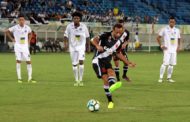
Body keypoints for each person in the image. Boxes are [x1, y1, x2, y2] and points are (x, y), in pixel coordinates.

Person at [91, 23, 136, 109]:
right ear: (113, 30)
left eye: (120, 33)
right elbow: (93, 39)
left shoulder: (119, 42)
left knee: (111, 73)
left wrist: (128, 62)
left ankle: (111, 95)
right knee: (105, 78)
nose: (118, 34)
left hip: (107, 61)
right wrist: (97, 46)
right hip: (98, 60)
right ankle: (110, 100)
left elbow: (118, 54)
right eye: (117, 32)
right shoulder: (105, 35)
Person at [5, 14, 36, 83]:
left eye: (22, 20)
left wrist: (28, 40)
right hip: (17, 46)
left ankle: (30, 78)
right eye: (20, 20)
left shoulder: (27, 27)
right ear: (18, 21)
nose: (21, 21)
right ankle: (19, 78)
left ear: (24, 20)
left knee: (28, 61)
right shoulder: (15, 27)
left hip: (25, 46)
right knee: (18, 61)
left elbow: (30, 33)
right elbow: (6, 31)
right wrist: (12, 39)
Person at [64, 11, 90, 86]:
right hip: (72, 47)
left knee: (81, 61)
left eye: (77, 18)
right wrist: (65, 44)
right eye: (74, 18)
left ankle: (81, 80)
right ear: (73, 19)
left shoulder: (84, 26)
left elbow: (88, 37)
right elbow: (65, 36)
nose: (76, 19)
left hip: (81, 47)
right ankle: (76, 80)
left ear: (80, 19)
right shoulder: (69, 26)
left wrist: (88, 47)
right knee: (74, 64)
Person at [157, 16, 181, 83]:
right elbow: (158, 38)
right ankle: (160, 78)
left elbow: (179, 38)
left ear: (175, 22)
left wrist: (178, 46)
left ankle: (169, 78)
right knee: (164, 64)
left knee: (171, 65)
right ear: (169, 22)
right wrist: (161, 45)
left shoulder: (177, 30)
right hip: (167, 50)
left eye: (173, 22)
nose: (172, 23)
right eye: (171, 22)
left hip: (174, 50)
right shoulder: (164, 29)